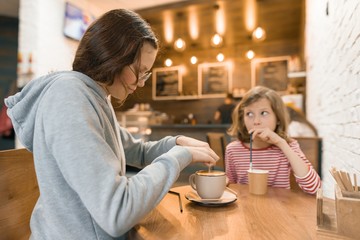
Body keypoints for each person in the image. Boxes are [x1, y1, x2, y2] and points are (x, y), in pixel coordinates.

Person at [4, 9, 219, 240]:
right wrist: (177, 157)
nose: (141, 83)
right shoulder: (68, 95)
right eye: (140, 71)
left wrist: (176, 143)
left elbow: (136, 150)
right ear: (113, 57)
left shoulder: (94, 95)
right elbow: (116, 211)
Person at [225, 86, 321, 194]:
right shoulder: (233, 150)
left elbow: (314, 188)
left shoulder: (288, 146)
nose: (256, 121)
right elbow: (231, 188)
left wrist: (281, 143)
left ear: (278, 119)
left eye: (264, 113)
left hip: (279, 208)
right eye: (249, 114)